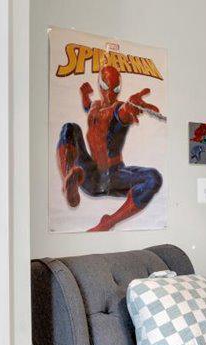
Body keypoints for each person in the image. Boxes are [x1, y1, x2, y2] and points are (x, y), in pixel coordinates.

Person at [55, 64, 163, 231]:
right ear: (100, 85)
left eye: (116, 88)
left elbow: (124, 111)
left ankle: (108, 223)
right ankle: (69, 180)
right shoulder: (94, 107)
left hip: (112, 178)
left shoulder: (118, 109)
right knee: (70, 128)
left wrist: (131, 106)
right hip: (91, 175)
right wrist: (85, 95)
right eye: (106, 86)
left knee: (154, 177)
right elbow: (87, 106)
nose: (111, 92)